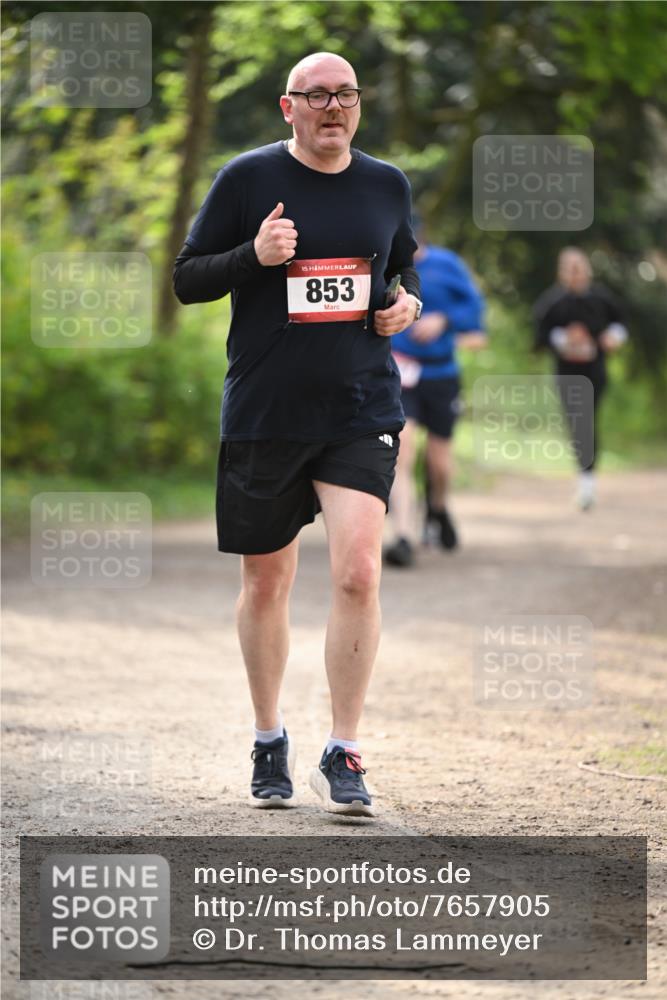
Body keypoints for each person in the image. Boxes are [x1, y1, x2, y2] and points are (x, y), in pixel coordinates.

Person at [173, 52, 422, 817]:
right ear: (289, 108)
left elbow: (402, 273)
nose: (331, 108)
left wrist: (401, 306)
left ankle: (342, 749)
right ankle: (267, 736)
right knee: (266, 582)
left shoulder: (385, 184)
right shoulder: (246, 180)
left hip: (358, 406)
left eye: (344, 94)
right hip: (266, 412)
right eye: (315, 96)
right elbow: (187, 279)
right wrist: (254, 255)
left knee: (357, 574)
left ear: (358, 104)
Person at [384, 226, 486, 568]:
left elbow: (474, 308)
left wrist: (444, 320)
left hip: (441, 374)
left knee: (439, 462)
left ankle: (438, 510)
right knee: (404, 451)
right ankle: (403, 536)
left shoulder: (448, 265)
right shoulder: (384, 264)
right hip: (402, 373)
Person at [533, 248, 628, 509]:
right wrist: (564, 338)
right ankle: (585, 481)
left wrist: (613, 338)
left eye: (579, 267)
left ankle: (588, 482)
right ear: (562, 272)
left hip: (595, 371)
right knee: (578, 421)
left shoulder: (601, 297)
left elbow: (621, 323)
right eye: (569, 268)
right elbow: (540, 334)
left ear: (587, 269)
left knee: (588, 419)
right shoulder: (552, 301)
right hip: (567, 373)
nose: (575, 273)